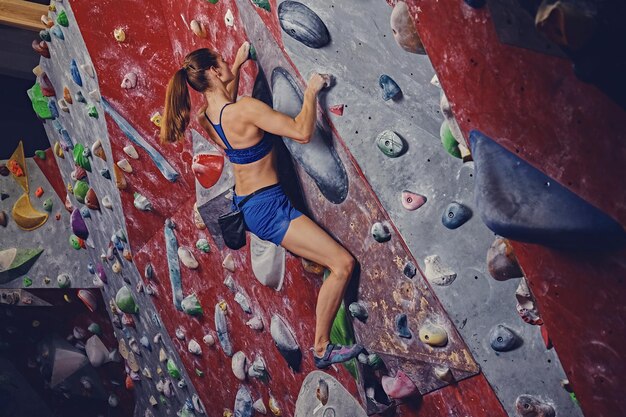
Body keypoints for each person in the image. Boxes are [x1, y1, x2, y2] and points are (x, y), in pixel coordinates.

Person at [161, 43, 363, 369]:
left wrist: (238, 63)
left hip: (251, 205)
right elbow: (300, 131)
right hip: (268, 210)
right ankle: (322, 347)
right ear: (213, 71)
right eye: (223, 61)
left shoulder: (208, 117)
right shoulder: (245, 109)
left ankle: (325, 321)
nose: (228, 63)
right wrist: (311, 90)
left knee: (328, 260)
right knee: (341, 264)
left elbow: (224, 98)